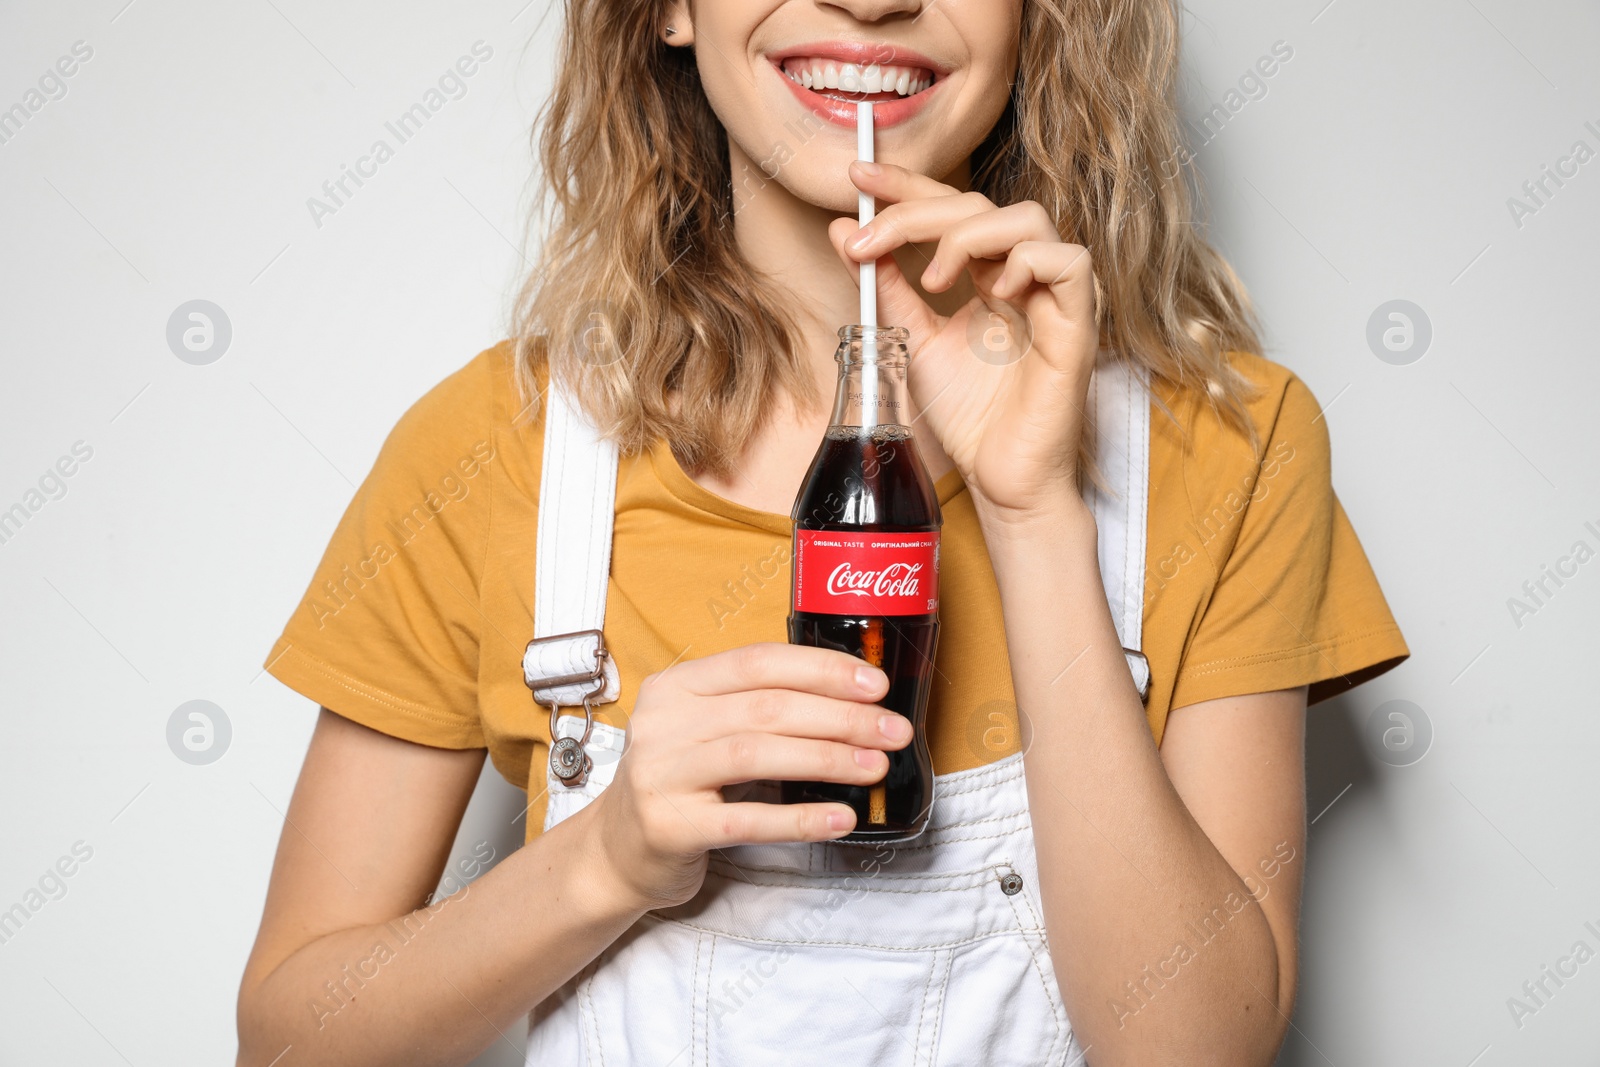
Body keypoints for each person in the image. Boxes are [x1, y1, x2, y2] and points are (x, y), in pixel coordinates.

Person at [236, 2, 1409, 1064]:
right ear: (669, 10)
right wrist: (604, 861)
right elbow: (289, 1043)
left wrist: (1032, 511)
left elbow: (1193, 1053)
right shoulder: (493, 450)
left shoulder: (1233, 449)